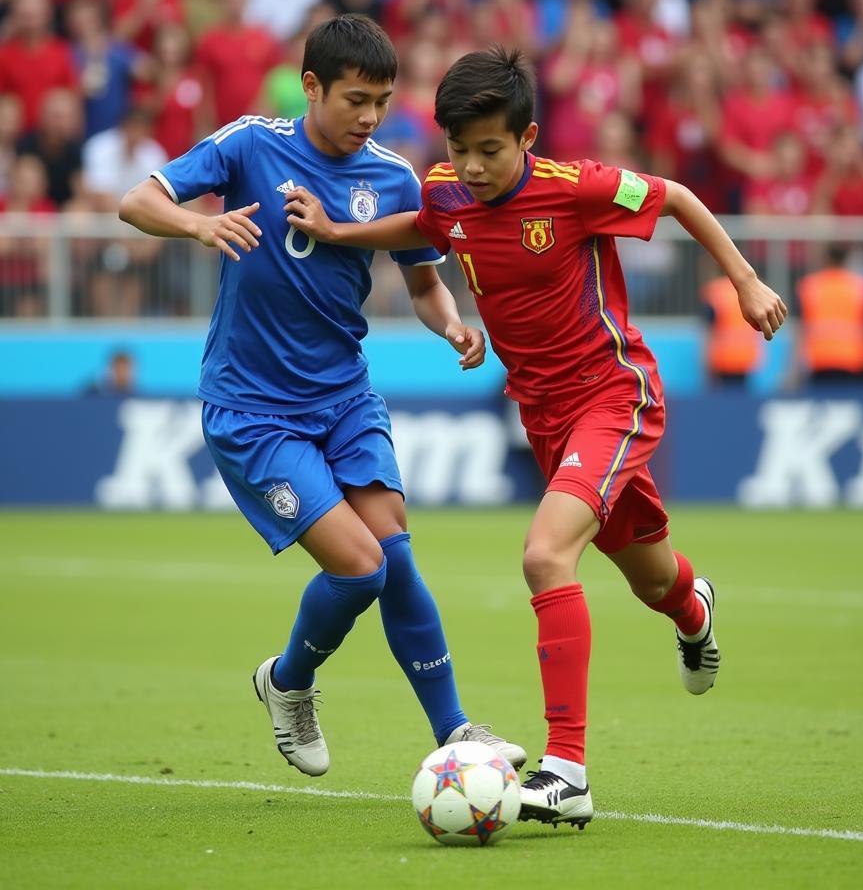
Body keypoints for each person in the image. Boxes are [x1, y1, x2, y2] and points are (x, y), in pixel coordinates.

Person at [281, 46, 786, 827]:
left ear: (528, 137)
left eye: (490, 149)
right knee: (652, 578)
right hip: (545, 414)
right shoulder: (448, 193)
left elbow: (679, 197)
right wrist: (340, 234)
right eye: (459, 149)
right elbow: (423, 223)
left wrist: (746, 282)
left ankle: (568, 770)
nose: (473, 167)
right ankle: (695, 610)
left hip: (616, 394)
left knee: (545, 555)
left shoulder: (575, 188)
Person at [118, 15, 524, 778]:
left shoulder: (393, 178)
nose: (369, 117)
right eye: (355, 100)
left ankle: (457, 730)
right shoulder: (250, 144)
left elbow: (425, 284)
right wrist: (197, 229)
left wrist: (452, 327)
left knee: (394, 556)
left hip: (343, 399)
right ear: (312, 87)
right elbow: (136, 201)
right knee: (360, 568)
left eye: (381, 101)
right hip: (253, 410)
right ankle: (289, 682)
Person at [793, 243, 863, 388]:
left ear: (825, 259)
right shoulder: (862, 287)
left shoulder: (809, 287)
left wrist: (795, 370)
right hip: (854, 363)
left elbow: (801, 332)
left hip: (821, 362)